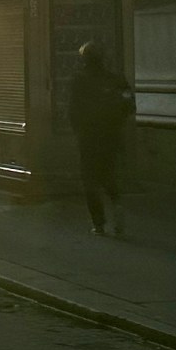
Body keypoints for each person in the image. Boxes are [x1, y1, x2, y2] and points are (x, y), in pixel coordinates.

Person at [66, 42, 134, 236]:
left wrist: (78, 131)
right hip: (112, 136)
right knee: (108, 173)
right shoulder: (116, 79)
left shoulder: (79, 80)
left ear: (84, 59)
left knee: (89, 179)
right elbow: (129, 106)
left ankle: (99, 224)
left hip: (88, 138)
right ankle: (116, 203)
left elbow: (73, 110)